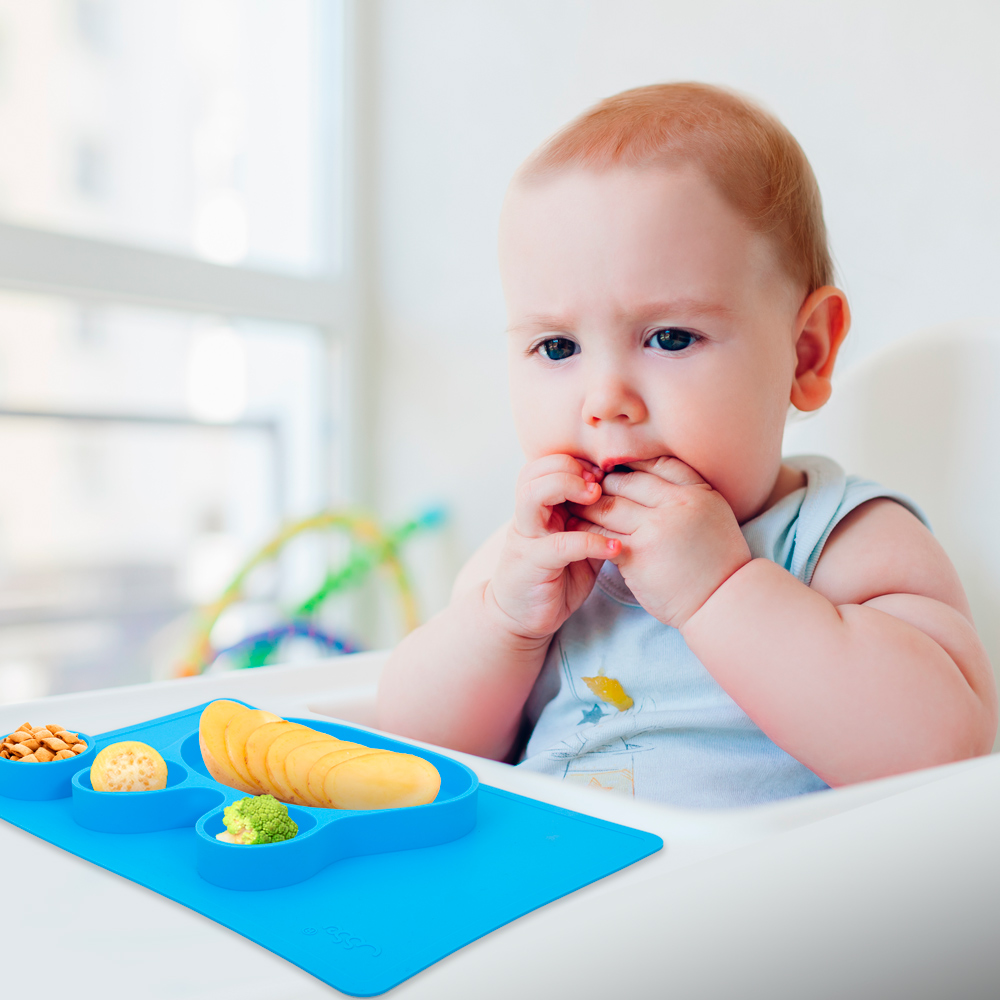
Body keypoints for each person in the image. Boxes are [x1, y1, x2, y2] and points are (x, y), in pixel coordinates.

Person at [376, 83, 998, 807]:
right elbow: (413, 750)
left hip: (746, 908)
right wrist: (504, 625)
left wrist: (720, 591)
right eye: (556, 346)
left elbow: (939, 747)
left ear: (804, 354)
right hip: (547, 887)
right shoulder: (523, 564)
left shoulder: (844, 542)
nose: (605, 401)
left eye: (670, 337)